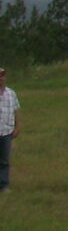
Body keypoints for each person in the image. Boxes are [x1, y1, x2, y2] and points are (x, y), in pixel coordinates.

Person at [0, 63, 17, 194]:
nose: (0, 78)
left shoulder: (11, 94)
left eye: (2, 76)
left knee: (4, 160)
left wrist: (17, 126)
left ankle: (4, 185)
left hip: (6, 132)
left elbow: (16, 110)